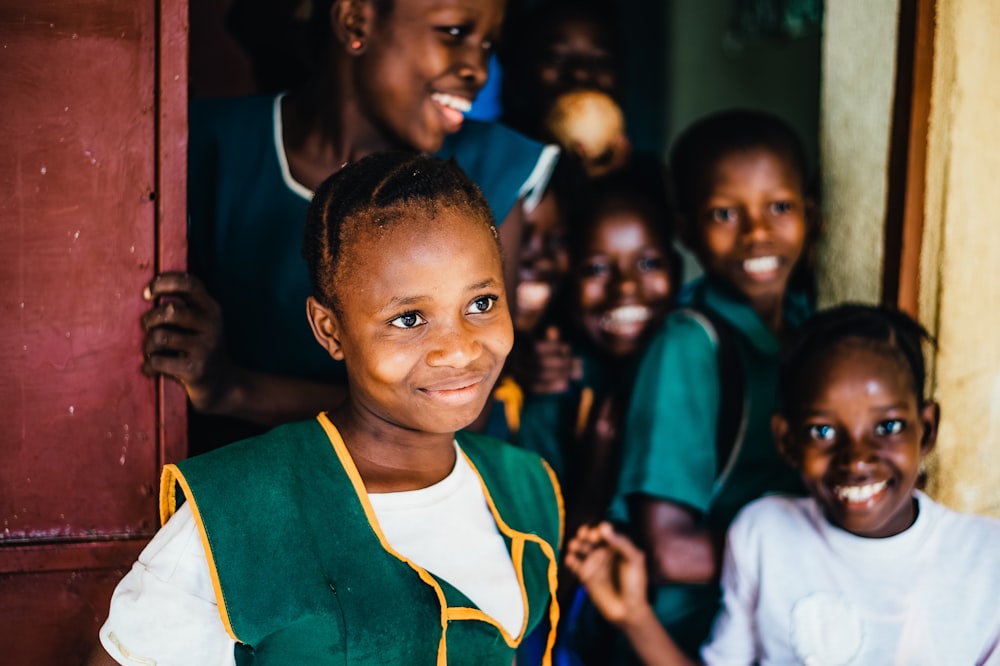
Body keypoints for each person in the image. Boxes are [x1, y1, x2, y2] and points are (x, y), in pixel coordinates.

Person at [88, 153, 564, 666]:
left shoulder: (524, 491)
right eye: (408, 319)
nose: (460, 349)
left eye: (481, 304)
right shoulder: (241, 512)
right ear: (329, 329)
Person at [142, 0, 559, 453]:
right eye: (454, 33)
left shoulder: (490, 168)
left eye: (488, 45)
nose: (478, 69)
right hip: (250, 486)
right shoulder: (208, 145)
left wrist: (233, 390)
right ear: (355, 20)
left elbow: (459, 403)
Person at [566, 303, 1000, 665]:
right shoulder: (763, 532)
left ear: (926, 430)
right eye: (823, 432)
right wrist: (635, 616)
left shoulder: (986, 558)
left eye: (887, 426)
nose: (857, 459)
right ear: (787, 442)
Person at [600, 109, 818, 661]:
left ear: (810, 214)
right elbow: (671, 550)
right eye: (725, 213)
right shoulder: (688, 345)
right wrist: (825, 547)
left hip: (770, 615)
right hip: (685, 632)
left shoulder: (807, 325)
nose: (758, 232)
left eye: (780, 207)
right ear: (687, 230)